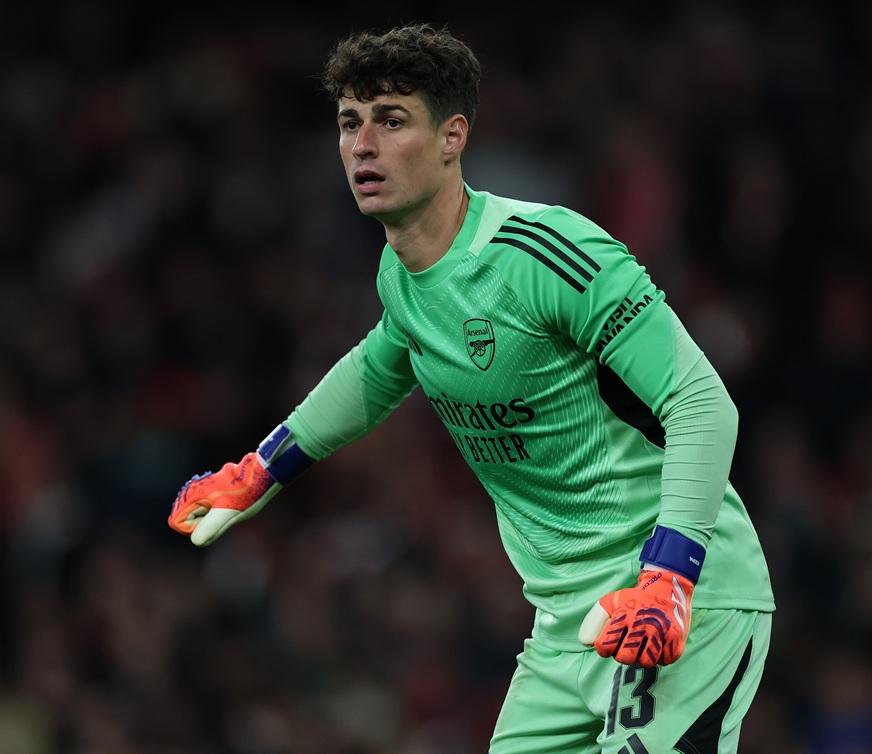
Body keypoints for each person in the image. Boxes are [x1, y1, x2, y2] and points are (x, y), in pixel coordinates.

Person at [168, 22, 775, 754]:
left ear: (452, 137)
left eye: (392, 121)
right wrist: (262, 467)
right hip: (565, 627)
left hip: (681, 600)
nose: (363, 145)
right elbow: (380, 364)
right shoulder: (403, 278)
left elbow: (702, 403)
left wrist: (671, 576)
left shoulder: (547, 253)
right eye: (350, 123)